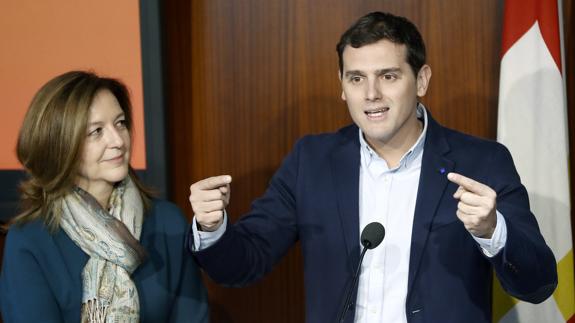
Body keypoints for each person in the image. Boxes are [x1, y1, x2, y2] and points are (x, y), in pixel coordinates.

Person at [187, 12, 557, 323]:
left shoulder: (481, 162)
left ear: (422, 80)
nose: (371, 94)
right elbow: (244, 263)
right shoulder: (312, 161)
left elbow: (538, 284)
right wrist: (212, 227)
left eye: (389, 76)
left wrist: (493, 230)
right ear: (342, 87)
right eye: (357, 78)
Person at [0, 71, 209, 323]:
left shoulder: (168, 221)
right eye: (96, 131)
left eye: (120, 123)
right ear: (60, 144)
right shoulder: (30, 239)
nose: (118, 140)